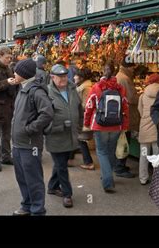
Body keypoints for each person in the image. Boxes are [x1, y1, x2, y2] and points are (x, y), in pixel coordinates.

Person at [11, 59, 54, 216]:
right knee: (22, 177)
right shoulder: (23, 88)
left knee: (33, 178)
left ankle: (37, 209)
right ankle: (27, 204)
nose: (13, 74)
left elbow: (47, 113)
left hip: (30, 144)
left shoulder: (36, 91)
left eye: (16, 71)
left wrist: (30, 129)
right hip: (18, 143)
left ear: (23, 74)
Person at [84, 61, 129, 193]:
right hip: (116, 125)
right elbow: (125, 108)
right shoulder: (120, 88)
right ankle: (106, 175)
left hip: (100, 125)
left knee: (102, 152)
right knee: (111, 151)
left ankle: (108, 180)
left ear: (103, 72)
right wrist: (124, 125)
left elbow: (89, 106)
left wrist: (87, 123)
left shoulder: (97, 87)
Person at [46, 64, 83, 208]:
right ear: (52, 77)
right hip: (55, 137)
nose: (62, 79)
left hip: (72, 136)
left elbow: (79, 109)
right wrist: (59, 127)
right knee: (62, 166)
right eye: (59, 76)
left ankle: (52, 186)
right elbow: (43, 118)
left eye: (64, 76)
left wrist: (78, 126)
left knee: (60, 163)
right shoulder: (47, 92)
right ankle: (67, 194)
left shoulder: (72, 89)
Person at [115, 60, 139, 178]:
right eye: (133, 68)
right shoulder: (125, 78)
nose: (134, 70)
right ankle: (120, 167)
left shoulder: (120, 76)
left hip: (121, 113)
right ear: (128, 67)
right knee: (124, 141)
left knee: (122, 141)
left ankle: (120, 165)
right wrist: (140, 96)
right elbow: (131, 98)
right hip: (126, 114)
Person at [138, 73, 159, 185]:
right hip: (157, 130)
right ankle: (157, 179)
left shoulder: (143, 95)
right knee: (157, 156)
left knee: (144, 155)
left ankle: (143, 178)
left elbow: (140, 111)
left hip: (144, 130)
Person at [74, 68, 95, 170]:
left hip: (83, 119)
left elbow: (86, 105)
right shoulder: (82, 87)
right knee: (77, 139)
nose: (74, 77)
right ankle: (69, 158)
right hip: (80, 118)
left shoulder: (86, 89)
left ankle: (89, 162)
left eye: (76, 75)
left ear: (81, 78)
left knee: (81, 140)